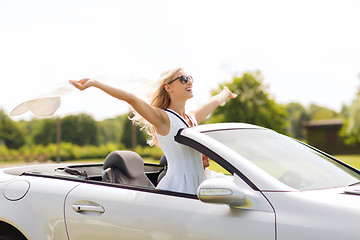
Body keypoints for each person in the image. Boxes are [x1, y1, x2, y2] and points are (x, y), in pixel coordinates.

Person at [70, 67, 236, 194]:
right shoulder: (163, 119)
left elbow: (215, 101)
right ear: (168, 88)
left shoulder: (191, 118)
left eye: (190, 78)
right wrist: (95, 83)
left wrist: (225, 93)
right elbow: (131, 98)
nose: (190, 82)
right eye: (183, 79)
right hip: (177, 190)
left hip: (200, 185)